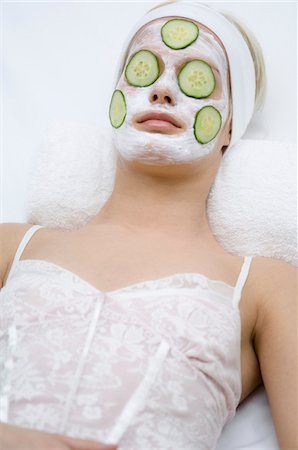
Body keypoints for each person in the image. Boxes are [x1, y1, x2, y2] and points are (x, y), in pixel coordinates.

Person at [0, 1, 296, 449]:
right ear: (114, 102)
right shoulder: (12, 247)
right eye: (144, 69)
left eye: (197, 78)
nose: (161, 90)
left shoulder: (267, 287)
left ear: (231, 125)